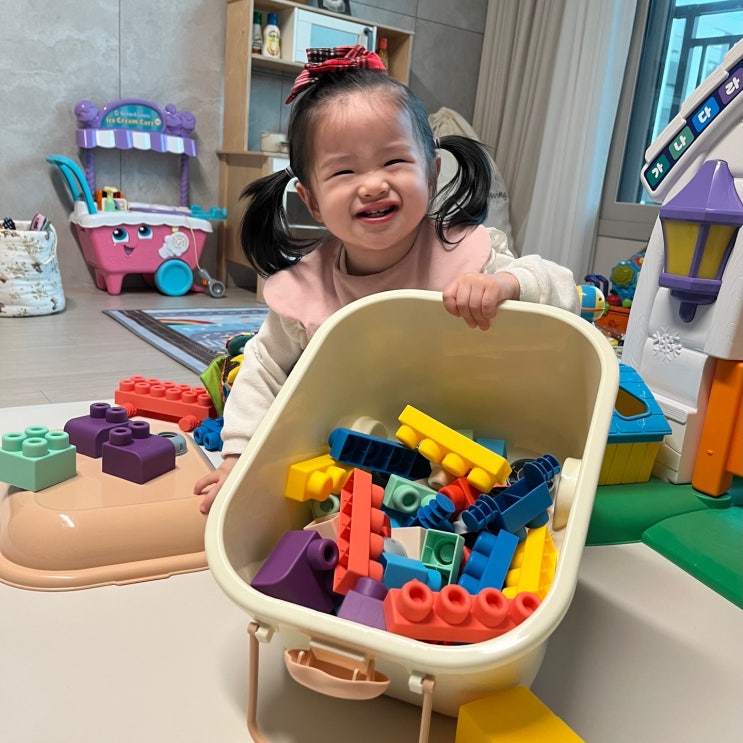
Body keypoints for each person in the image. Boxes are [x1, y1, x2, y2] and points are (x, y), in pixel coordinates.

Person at [194, 45, 579, 514]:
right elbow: (264, 367)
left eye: (394, 162)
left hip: (467, 456)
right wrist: (237, 458)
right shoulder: (308, 291)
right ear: (312, 201)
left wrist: (508, 285)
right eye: (344, 171)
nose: (373, 184)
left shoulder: (464, 256)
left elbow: (564, 292)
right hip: (348, 461)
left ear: (432, 174)